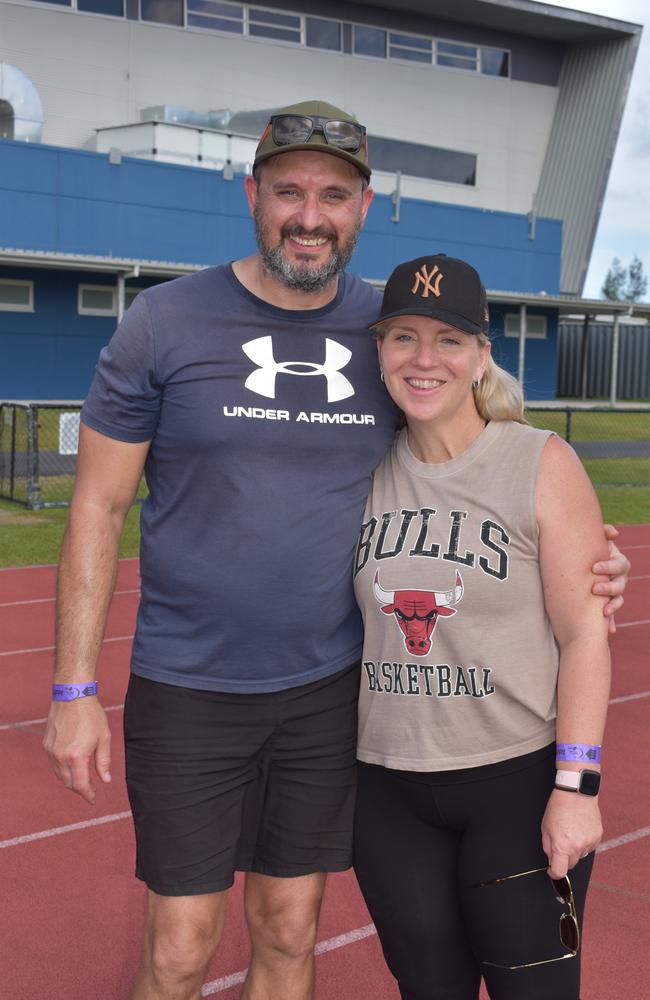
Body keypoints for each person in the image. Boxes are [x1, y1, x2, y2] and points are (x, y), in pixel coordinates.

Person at [43, 102, 627, 1000]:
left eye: (334, 196)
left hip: (329, 696)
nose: (309, 216)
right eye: (289, 192)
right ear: (253, 196)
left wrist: (581, 548)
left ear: (364, 208)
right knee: (179, 948)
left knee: (289, 930)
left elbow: (473, 442)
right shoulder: (164, 323)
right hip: (189, 687)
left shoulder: (384, 329)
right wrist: (74, 689)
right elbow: (97, 503)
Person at [352, 253, 614, 1000]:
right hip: (388, 788)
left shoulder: (539, 461)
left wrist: (578, 787)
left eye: (449, 339)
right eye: (403, 337)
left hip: (516, 783)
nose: (424, 358)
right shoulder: (363, 471)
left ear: (481, 357)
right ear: (380, 352)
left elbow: (585, 634)